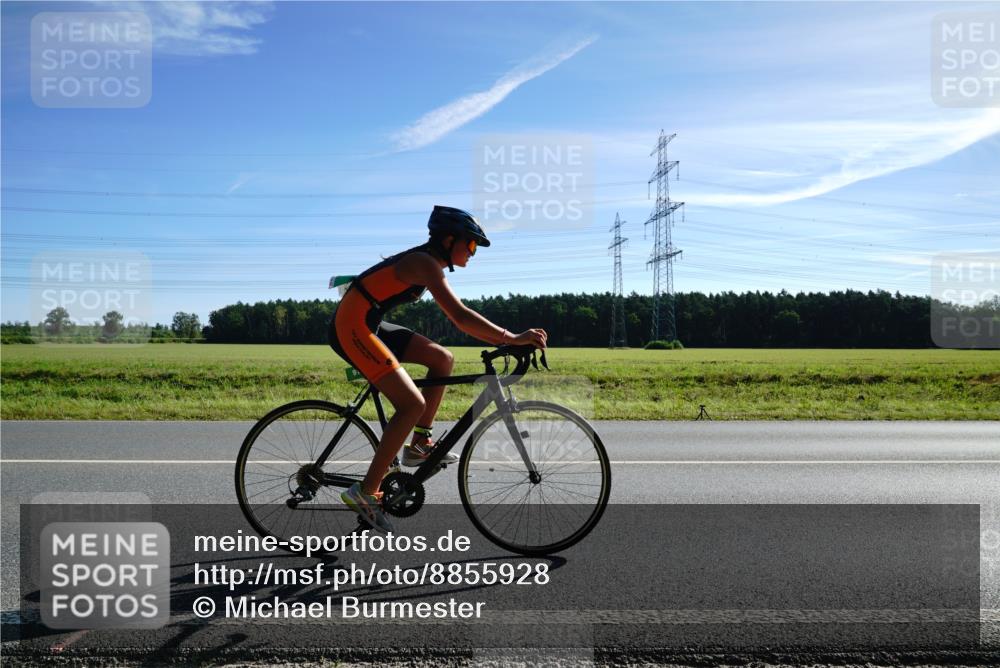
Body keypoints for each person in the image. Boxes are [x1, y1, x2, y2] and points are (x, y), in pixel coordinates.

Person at [328, 205, 547, 533]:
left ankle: (419, 445)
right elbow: (459, 316)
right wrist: (512, 337)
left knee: (442, 359)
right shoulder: (425, 264)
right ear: (448, 240)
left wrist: (510, 338)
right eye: (471, 245)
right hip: (352, 326)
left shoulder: (428, 263)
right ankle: (365, 491)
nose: (473, 253)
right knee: (412, 404)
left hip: (368, 321)